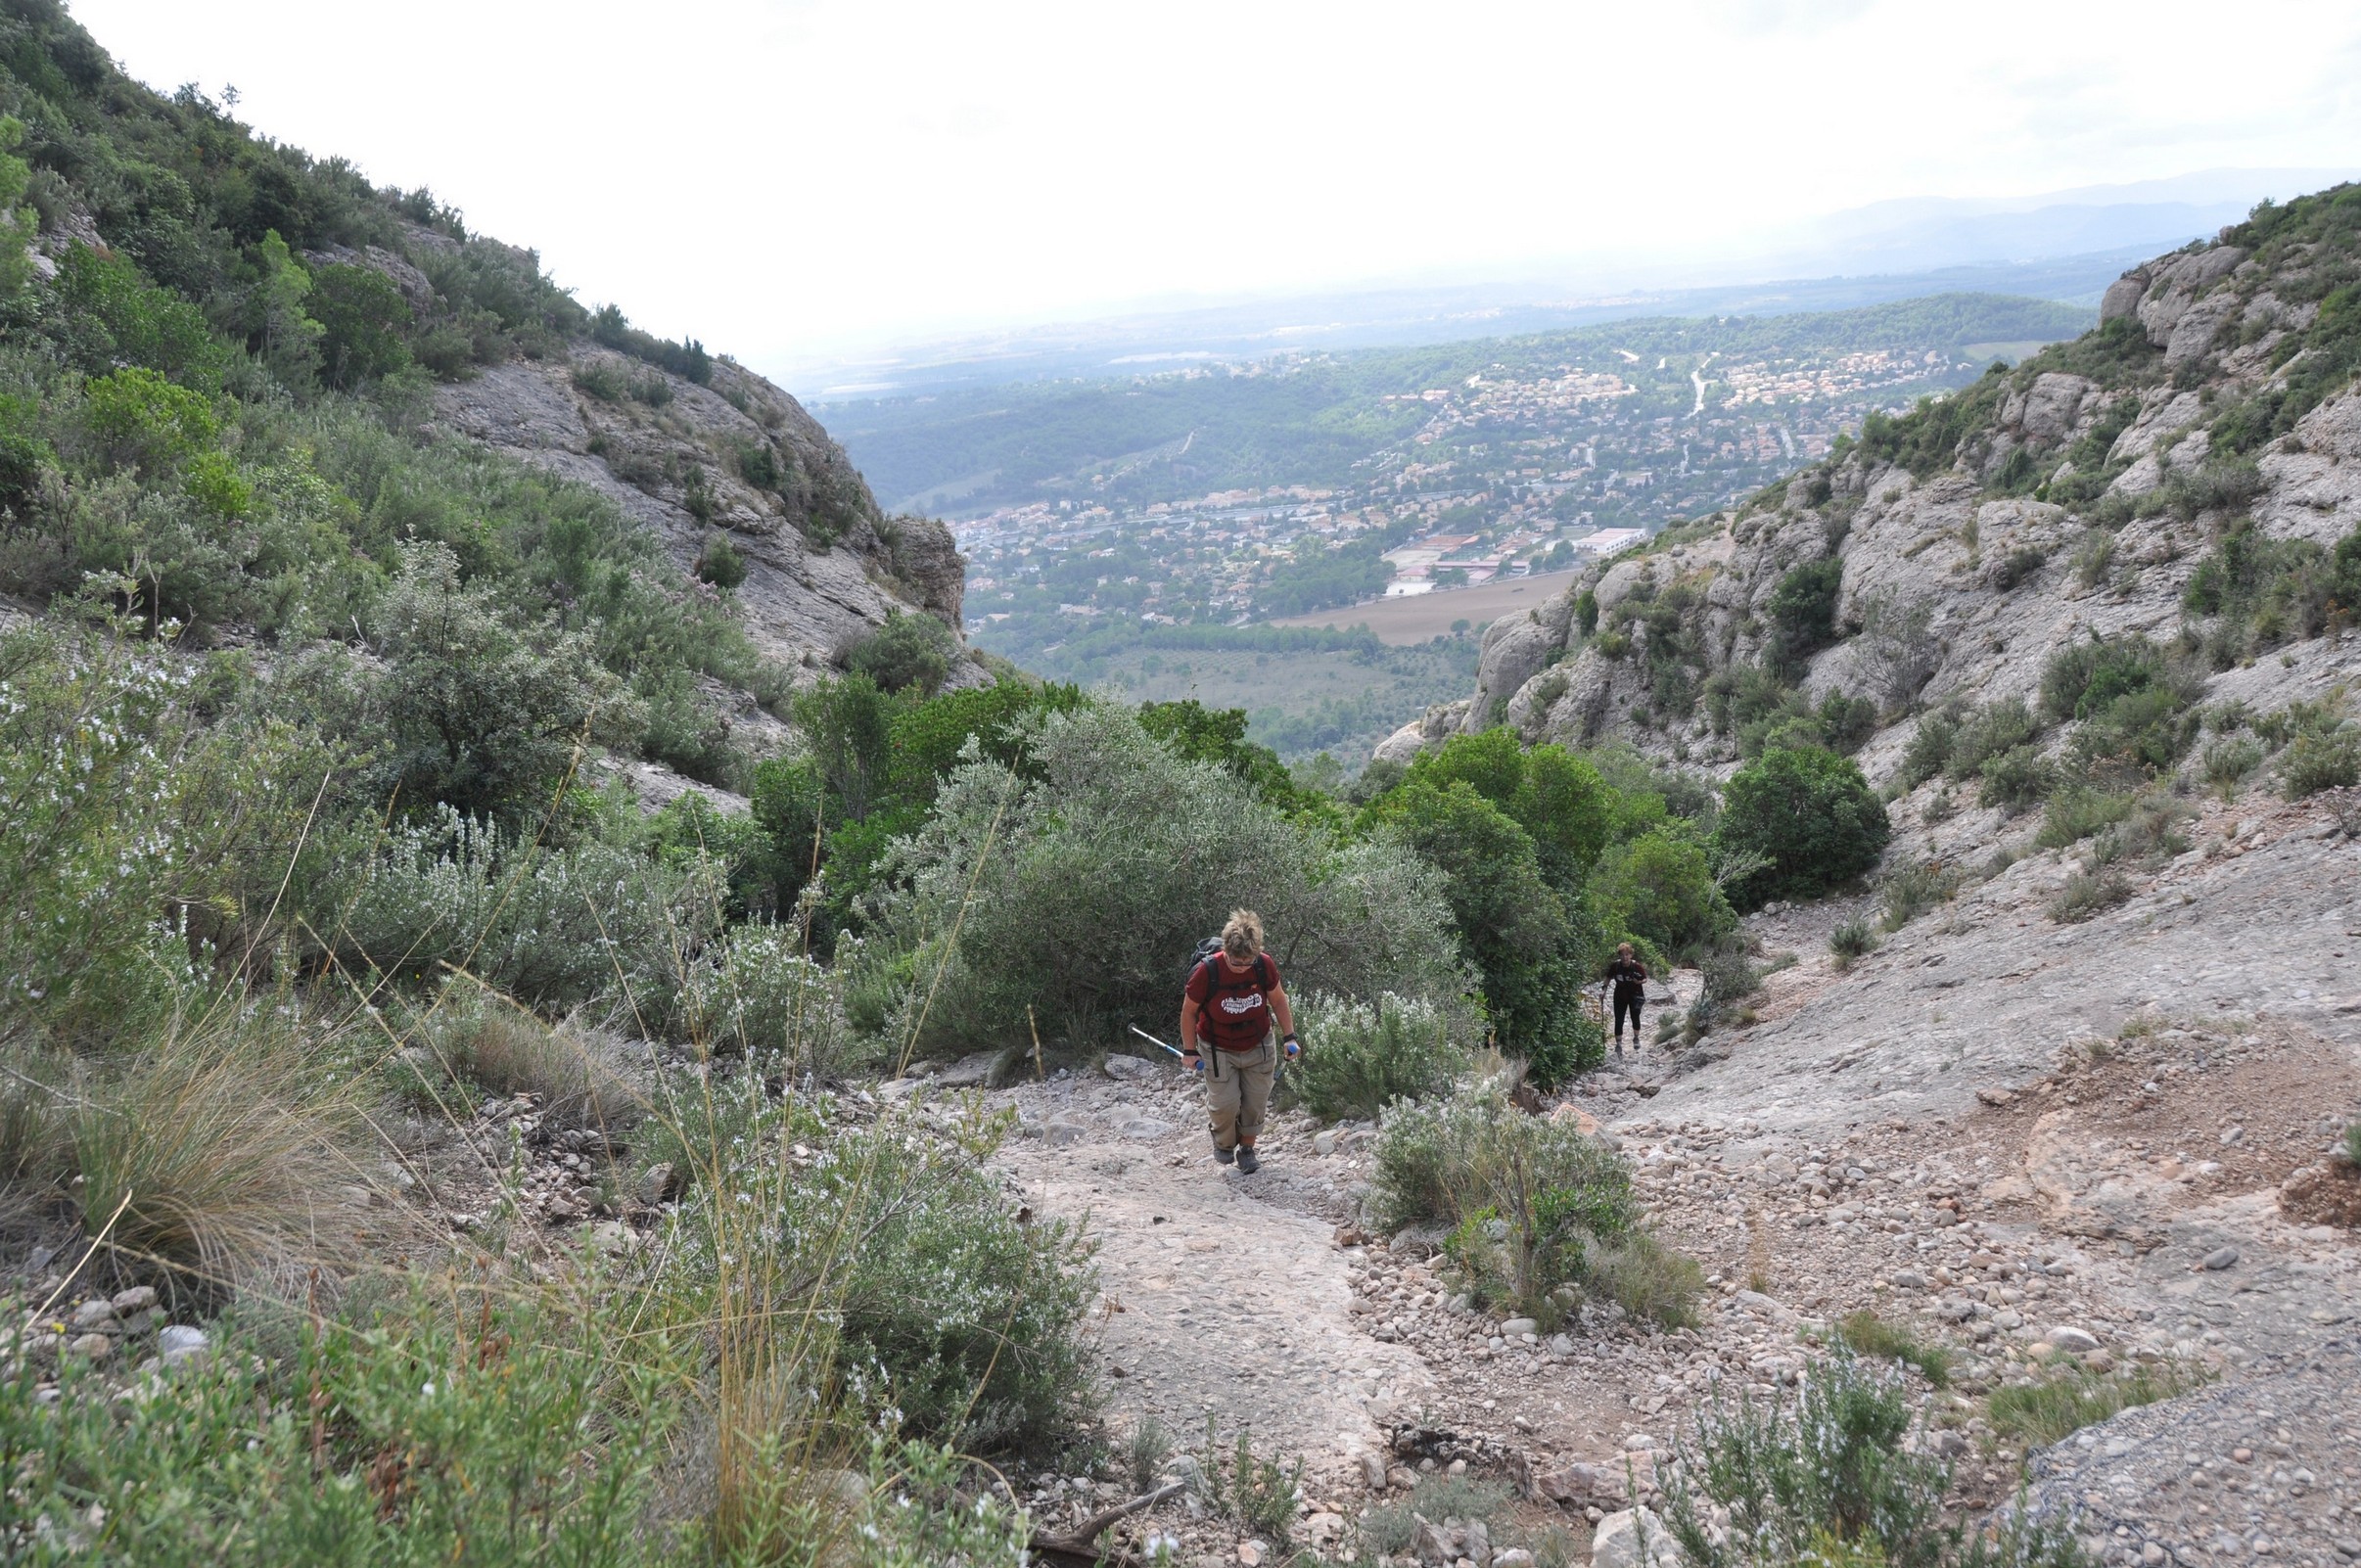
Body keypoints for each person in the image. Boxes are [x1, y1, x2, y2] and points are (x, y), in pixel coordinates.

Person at [1180, 908, 1298, 1174]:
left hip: (1258, 1043)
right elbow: (1189, 1012)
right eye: (1237, 962)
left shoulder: (1263, 965)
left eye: (1248, 962)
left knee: (1256, 1102)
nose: (1243, 967)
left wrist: (1290, 1036)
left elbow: (1278, 1000)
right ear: (1226, 951)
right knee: (1225, 1103)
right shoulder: (1207, 971)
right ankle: (1224, 1142)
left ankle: (1247, 1150)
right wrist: (1189, 1050)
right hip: (1217, 1047)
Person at [1603, 942, 1648, 1057]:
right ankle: (1618, 1044)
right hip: (1620, 994)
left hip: (1635, 995)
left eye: (1627, 954)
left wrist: (1638, 981)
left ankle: (1636, 1038)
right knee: (1619, 1019)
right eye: (1622, 955)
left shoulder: (1636, 966)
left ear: (1631, 955)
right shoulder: (1615, 966)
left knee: (1635, 1017)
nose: (1625, 957)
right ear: (1620, 955)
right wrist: (1604, 990)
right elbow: (1608, 977)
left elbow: (1645, 978)